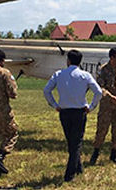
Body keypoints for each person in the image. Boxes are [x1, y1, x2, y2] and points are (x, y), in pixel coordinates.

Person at [43, 49, 102, 181]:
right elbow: (98, 92)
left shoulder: (59, 74)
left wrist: (54, 104)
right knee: (76, 142)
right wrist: (91, 107)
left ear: (68, 60)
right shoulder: (85, 75)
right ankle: (72, 172)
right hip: (79, 111)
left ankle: (75, 169)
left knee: (71, 141)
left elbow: (46, 90)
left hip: (64, 111)